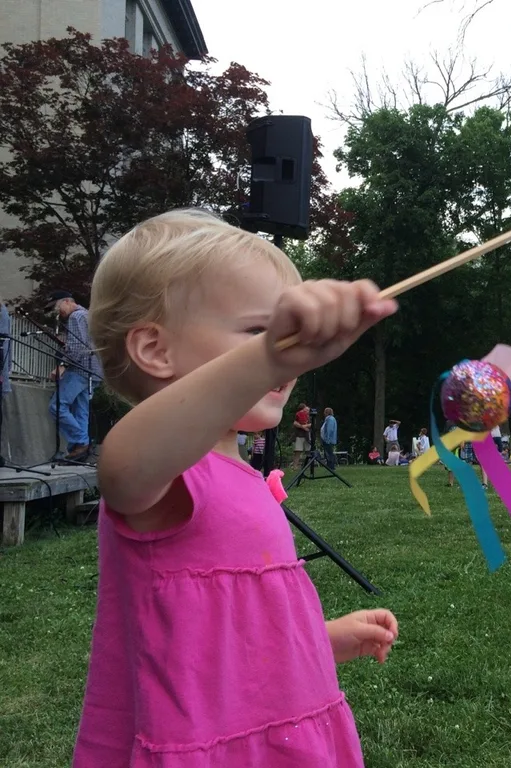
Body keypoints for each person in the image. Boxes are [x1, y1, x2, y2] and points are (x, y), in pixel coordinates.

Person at [77, 209, 399, 767]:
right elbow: (122, 465)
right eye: (259, 330)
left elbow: (221, 640)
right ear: (155, 349)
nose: (286, 348)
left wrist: (318, 640)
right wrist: (267, 357)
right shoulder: (164, 471)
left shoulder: (241, 475)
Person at [49, 290, 103, 460]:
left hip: (79, 369)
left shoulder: (75, 317)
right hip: (94, 370)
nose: (57, 312)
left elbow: (77, 347)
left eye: (56, 306)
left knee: (57, 406)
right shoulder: (87, 315)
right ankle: (79, 452)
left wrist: (62, 365)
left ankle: (81, 442)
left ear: (67, 301)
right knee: (81, 412)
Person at [290, 403, 311, 470]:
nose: (307, 411)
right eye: (306, 410)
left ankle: (307, 466)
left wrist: (305, 426)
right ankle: (295, 466)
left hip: (307, 436)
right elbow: (295, 423)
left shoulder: (309, 417)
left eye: (308, 410)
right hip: (299, 436)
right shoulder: (298, 415)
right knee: (298, 451)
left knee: (308, 451)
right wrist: (303, 427)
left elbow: (312, 424)